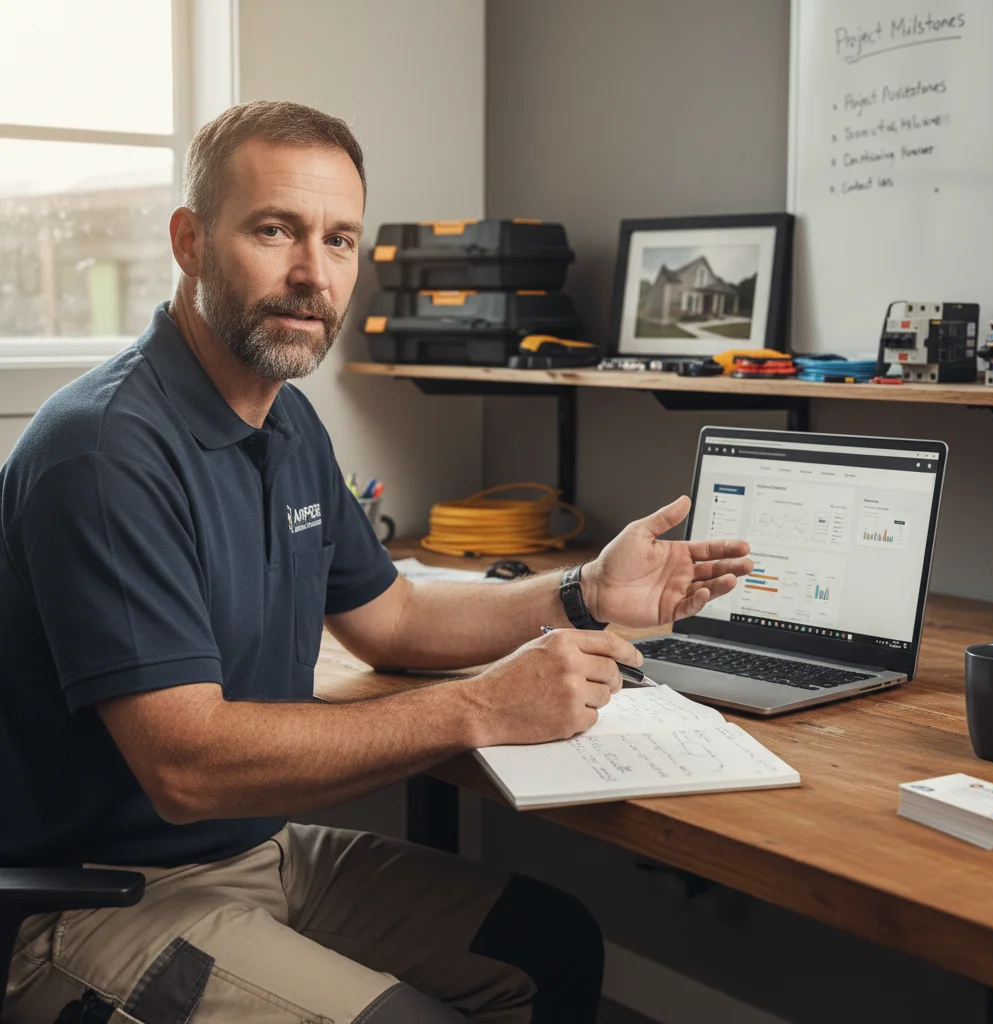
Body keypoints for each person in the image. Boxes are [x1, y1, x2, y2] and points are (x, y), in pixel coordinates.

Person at [0, 101, 751, 1023]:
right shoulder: (104, 452)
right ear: (190, 242)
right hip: (96, 903)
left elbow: (391, 618)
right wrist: (481, 706)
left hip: (254, 857)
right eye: (274, 230)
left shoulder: (285, 419)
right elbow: (186, 767)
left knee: (551, 941)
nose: (313, 274)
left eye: (341, 239)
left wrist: (584, 592)